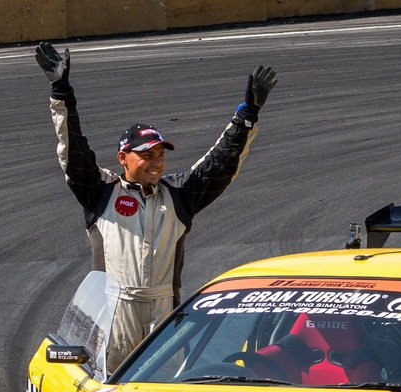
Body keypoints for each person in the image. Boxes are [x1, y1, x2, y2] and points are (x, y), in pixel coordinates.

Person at [35, 42, 277, 371]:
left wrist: (246, 116)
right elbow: (73, 149)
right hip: (113, 312)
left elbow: (219, 164)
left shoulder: (178, 195)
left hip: (165, 312)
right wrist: (61, 91)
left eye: (160, 156)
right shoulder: (100, 191)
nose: (156, 163)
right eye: (147, 155)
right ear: (123, 158)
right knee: (109, 390)